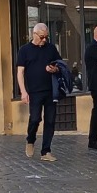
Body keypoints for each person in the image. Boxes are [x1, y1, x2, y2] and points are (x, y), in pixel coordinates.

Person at [16, 23, 61, 162]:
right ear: (34, 35)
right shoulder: (25, 50)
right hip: (34, 91)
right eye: (42, 37)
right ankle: (30, 139)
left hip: (51, 90)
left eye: (46, 37)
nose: (44, 40)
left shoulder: (51, 48)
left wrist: (54, 69)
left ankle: (46, 151)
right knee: (35, 118)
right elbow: (20, 72)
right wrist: (23, 91)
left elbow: (60, 65)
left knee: (50, 120)